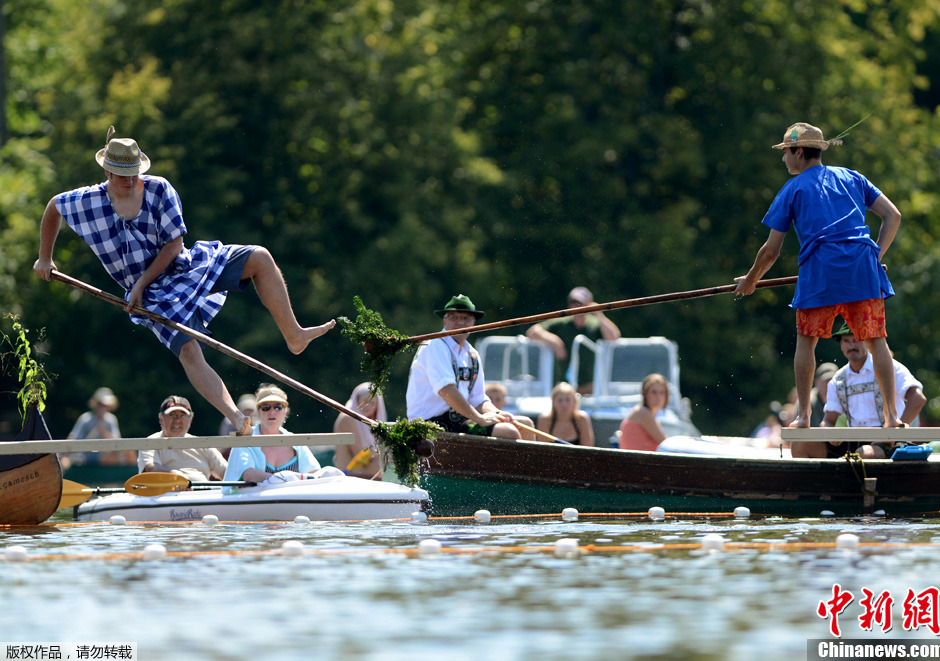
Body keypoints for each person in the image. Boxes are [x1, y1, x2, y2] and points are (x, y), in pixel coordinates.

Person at [33, 128, 335, 437]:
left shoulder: (159, 189)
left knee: (259, 257)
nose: (130, 180)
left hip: (184, 267)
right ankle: (235, 416)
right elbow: (54, 206)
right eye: (122, 174)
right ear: (108, 171)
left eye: (135, 173)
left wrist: (138, 284)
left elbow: (174, 246)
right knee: (189, 351)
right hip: (153, 296)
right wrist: (45, 257)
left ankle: (293, 333)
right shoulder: (88, 200)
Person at [734, 122, 903, 429]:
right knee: (877, 341)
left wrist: (750, 280)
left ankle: (803, 416)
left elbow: (771, 251)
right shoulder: (852, 176)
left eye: (786, 153)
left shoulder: (792, 189)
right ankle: (892, 417)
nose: (784, 159)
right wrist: (874, 257)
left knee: (806, 340)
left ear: (799, 151)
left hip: (821, 272)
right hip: (861, 269)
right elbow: (894, 215)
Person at [791, 323, 926, 459]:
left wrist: (894, 433)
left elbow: (918, 399)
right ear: (841, 346)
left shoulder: (889, 367)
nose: (851, 346)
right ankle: (821, 479)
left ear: (867, 342)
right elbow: (829, 419)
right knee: (800, 444)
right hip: (853, 441)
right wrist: (829, 432)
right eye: (846, 341)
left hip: (887, 443)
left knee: (863, 454)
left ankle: (842, 473)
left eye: (856, 340)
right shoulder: (838, 379)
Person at [406, 294, 534, 439]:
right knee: (508, 432)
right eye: (454, 317)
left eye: (466, 318)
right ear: (445, 321)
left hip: (460, 419)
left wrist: (497, 413)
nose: (460, 323)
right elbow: (446, 391)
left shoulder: (472, 354)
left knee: (526, 425)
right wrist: (480, 418)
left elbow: (478, 398)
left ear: (473, 322)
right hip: (431, 423)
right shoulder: (434, 345)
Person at [526, 286, 621, 393]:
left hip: (589, 387)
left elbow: (614, 337)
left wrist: (599, 313)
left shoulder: (595, 324)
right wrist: (554, 341)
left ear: (589, 304)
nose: (575, 306)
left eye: (580, 303)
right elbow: (532, 332)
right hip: (564, 387)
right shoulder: (561, 323)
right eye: (572, 302)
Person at [223, 384, 320, 483]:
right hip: (255, 498)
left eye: (278, 407)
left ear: (285, 411)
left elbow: (315, 474)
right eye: (266, 407)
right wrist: (285, 478)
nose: (272, 412)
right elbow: (249, 475)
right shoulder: (245, 438)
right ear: (258, 412)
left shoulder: (295, 442)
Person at [138, 395, 227, 483]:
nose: (177, 420)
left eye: (182, 415)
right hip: (167, 495)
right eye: (172, 415)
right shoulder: (151, 442)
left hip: (204, 495)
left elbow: (226, 472)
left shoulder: (202, 444)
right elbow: (150, 468)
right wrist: (174, 476)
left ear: (190, 419)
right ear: (161, 419)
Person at [333, 382, 387, 479]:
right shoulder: (347, 418)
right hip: (348, 473)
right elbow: (361, 454)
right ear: (357, 401)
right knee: (386, 460)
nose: (368, 406)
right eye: (364, 402)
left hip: (359, 470)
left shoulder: (367, 420)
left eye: (372, 403)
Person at [619, 373, 669, 451]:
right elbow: (665, 443)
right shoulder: (643, 413)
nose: (658, 397)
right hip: (637, 461)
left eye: (662, 392)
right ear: (645, 394)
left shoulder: (643, 411)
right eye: (654, 392)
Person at [536, 382, 594, 446]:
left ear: (574, 402)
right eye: (560, 400)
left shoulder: (582, 419)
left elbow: (588, 448)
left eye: (568, 400)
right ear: (553, 402)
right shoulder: (545, 419)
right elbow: (543, 449)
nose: (564, 405)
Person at [810, 362, 838, 427]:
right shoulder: (810, 403)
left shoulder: (845, 400)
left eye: (832, 380)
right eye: (826, 380)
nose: (830, 384)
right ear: (816, 382)